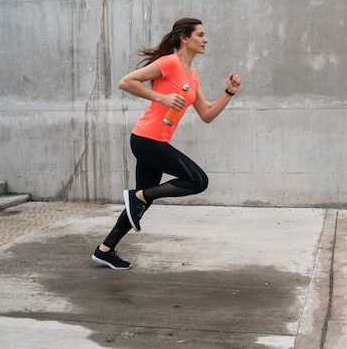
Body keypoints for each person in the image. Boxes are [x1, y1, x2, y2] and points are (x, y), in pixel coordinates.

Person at [92, 18, 242, 269]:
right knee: (198, 180)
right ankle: (137, 196)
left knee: (140, 204)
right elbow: (126, 82)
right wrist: (161, 97)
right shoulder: (170, 62)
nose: (205, 40)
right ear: (185, 38)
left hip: (155, 141)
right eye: (200, 35)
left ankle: (105, 249)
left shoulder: (192, 76)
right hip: (147, 139)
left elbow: (206, 115)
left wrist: (228, 93)